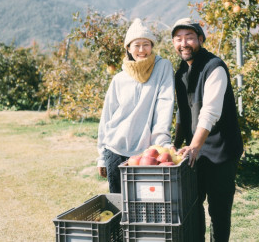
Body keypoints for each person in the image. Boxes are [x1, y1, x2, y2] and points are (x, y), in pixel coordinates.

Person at [171, 18, 243, 242]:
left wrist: (193, 146)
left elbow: (210, 112)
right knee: (192, 208)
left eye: (189, 38)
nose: (184, 43)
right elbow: (183, 112)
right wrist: (175, 144)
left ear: (200, 39)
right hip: (195, 153)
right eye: (178, 39)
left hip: (220, 152)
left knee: (219, 212)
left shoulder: (215, 67)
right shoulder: (181, 71)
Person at [97, 18, 175, 193]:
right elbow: (107, 118)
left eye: (146, 44)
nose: (141, 50)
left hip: (145, 153)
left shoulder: (162, 68)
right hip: (115, 149)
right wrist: (101, 157)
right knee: (119, 206)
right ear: (128, 48)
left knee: (146, 206)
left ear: (152, 46)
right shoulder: (119, 79)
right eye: (136, 45)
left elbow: (165, 105)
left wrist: (162, 143)